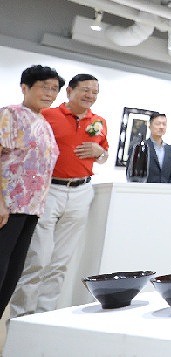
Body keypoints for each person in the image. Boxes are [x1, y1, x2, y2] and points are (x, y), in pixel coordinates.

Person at [10, 73, 109, 317]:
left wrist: (99, 152)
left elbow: (105, 155)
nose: (90, 96)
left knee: (61, 262)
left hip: (82, 191)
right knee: (38, 259)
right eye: (85, 90)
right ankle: (22, 318)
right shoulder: (48, 115)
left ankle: (45, 315)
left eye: (95, 92)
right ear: (69, 91)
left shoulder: (99, 121)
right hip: (48, 189)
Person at [0, 65, 62, 317]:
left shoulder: (44, 122)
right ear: (25, 88)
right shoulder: (10, 114)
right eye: (44, 87)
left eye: (54, 89)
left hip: (32, 207)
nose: (49, 93)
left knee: (13, 271)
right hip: (9, 204)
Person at [143, 113, 171, 184]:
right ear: (149, 126)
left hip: (166, 191)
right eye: (158, 124)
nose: (161, 127)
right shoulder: (142, 147)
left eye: (164, 124)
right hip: (145, 191)